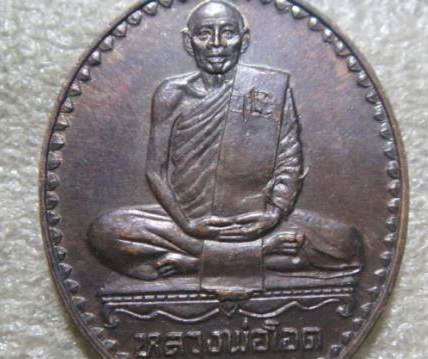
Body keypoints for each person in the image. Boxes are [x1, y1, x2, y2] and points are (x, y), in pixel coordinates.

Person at [88, 0, 363, 285]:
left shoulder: (269, 89)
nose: (216, 43)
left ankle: (197, 262)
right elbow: (155, 171)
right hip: (187, 222)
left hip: (255, 220)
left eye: (228, 33)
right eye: (204, 34)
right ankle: (258, 255)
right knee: (107, 231)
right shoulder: (172, 94)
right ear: (188, 42)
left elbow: (289, 161)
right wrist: (188, 224)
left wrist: (273, 216)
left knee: (345, 243)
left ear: (244, 41)